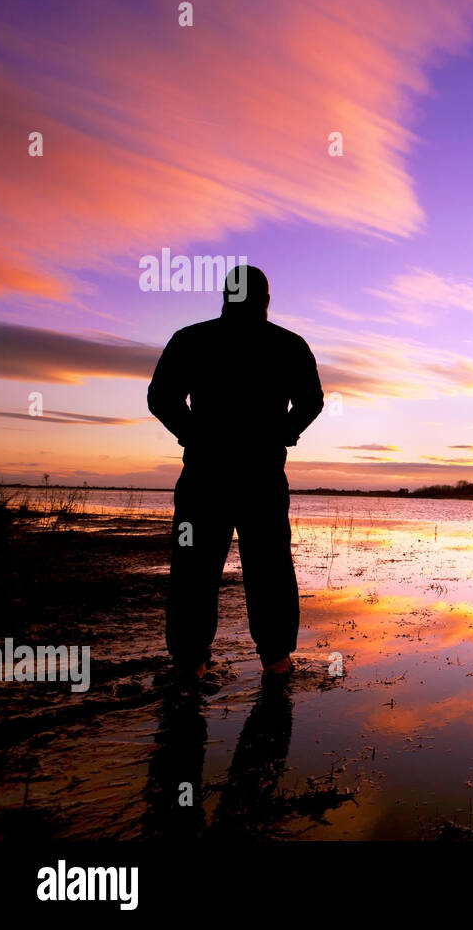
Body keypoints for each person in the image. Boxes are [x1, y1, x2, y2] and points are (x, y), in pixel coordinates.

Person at [148, 265, 323, 681]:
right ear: (265, 299)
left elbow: (160, 398)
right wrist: (284, 433)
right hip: (258, 476)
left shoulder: (192, 339)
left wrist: (193, 434)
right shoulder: (287, 344)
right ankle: (276, 662)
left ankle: (191, 663)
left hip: (207, 476)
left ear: (226, 297)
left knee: (194, 568)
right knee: (269, 568)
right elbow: (312, 402)